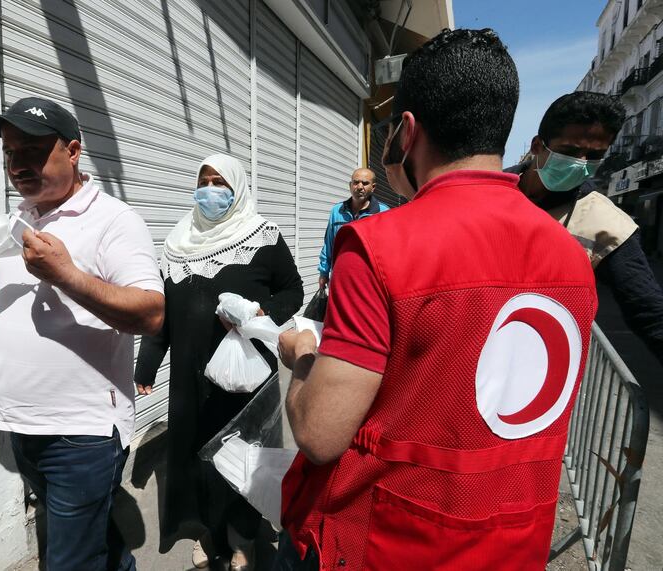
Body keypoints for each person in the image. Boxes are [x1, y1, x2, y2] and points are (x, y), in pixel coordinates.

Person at [276, 29, 597, 570]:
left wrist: (302, 356)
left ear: (407, 130)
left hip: (387, 540)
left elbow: (319, 433)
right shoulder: (569, 256)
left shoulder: (380, 245)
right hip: (513, 540)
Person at [0, 97, 164, 571]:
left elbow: (152, 313)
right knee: (95, 542)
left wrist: (67, 275)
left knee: (69, 560)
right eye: (11, 153)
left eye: (33, 151)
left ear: (73, 151)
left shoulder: (114, 221)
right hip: (22, 426)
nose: (19, 165)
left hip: (81, 432)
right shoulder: (20, 220)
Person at [134, 154, 303, 571]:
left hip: (244, 380)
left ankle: (242, 535)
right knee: (197, 459)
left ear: (238, 187)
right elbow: (164, 316)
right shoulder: (178, 244)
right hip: (190, 379)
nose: (210, 189)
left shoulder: (261, 236)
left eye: (220, 182)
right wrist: (147, 364)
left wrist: (260, 313)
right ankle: (210, 532)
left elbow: (293, 290)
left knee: (244, 459)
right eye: (204, 180)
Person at [508, 91, 663, 364]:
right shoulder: (492, 188)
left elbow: (649, 311)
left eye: (594, 156)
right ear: (537, 146)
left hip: (534, 358)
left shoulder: (608, 226)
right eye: (569, 151)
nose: (580, 164)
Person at [316, 168, 388, 289]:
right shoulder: (337, 211)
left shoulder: (384, 213)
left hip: (370, 281)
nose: (360, 187)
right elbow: (329, 245)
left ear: (373, 187)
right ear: (350, 185)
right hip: (340, 279)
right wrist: (323, 272)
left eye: (365, 183)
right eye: (356, 182)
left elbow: (388, 251)